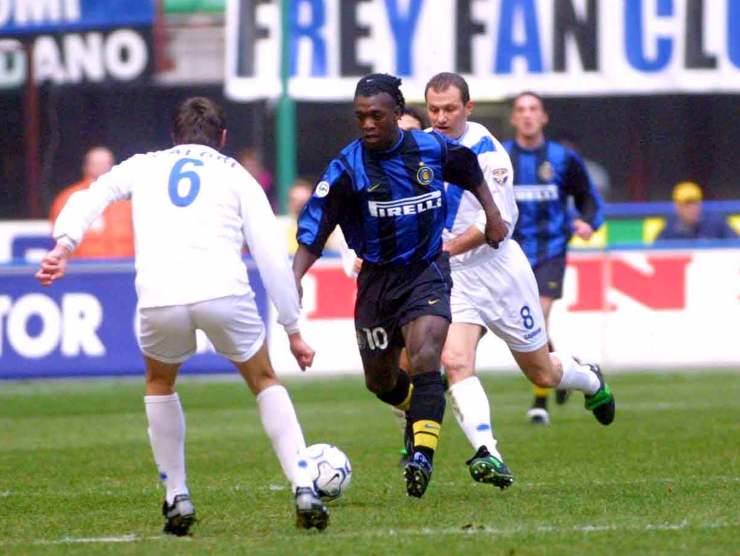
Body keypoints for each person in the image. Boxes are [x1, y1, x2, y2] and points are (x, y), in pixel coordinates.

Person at [35, 97, 329, 534]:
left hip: (160, 295)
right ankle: (304, 484)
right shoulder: (237, 176)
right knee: (263, 378)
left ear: (172, 136)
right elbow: (270, 253)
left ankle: (176, 497)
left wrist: (64, 245)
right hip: (224, 291)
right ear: (223, 139)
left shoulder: (145, 164)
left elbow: (92, 195)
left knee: (159, 381)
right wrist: (292, 328)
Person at [293, 73, 508, 498]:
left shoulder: (430, 148)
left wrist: (493, 214)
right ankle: (422, 409)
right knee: (381, 382)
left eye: (376, 115)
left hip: (426, 270)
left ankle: (421, 456)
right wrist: (295, 276)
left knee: (428, 356)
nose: (368, 124)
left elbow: (468, 167)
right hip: (376, 281)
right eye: (360, 117)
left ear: (396, 113)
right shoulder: (347, 167)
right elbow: (317, 226)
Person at [416, 73, 614, 487]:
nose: (440, 117)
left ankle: (588, 377)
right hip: (457, 278)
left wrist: (446, 249)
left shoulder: (489, 154)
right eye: (433, 109)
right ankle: (488, 451)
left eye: (450, 109)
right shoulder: (422, 148)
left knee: (542, 373)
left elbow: (499, 225)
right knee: (455, 362)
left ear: (468, 109)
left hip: (500, 271)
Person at [504, 91, 605, 425]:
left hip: (550, 251)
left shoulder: (563, 159)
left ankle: (539, 403)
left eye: (533, 109)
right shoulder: (500, 157)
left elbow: (589, 199)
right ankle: (565, 366)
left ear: (544, 117)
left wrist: (588, 222)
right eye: (521, 110)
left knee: (538, 317)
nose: (528, 115)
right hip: (509, 256)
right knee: (525, 326)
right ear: (513, 118)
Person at [49, 146, 134, 259]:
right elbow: (61, 236)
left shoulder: (127, 198)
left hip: (125, 265)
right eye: (97, 164)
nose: (103, 168)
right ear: (86, 167)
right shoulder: (70, 197)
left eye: (107, 163)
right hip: (84, 267)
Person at [657, 181, 737, 240]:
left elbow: (735, 245)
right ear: (677, 207)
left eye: (695, 203)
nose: (692, 209)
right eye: (687, 205)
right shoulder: (670, 228)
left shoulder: (715, 222)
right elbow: (656, 252)